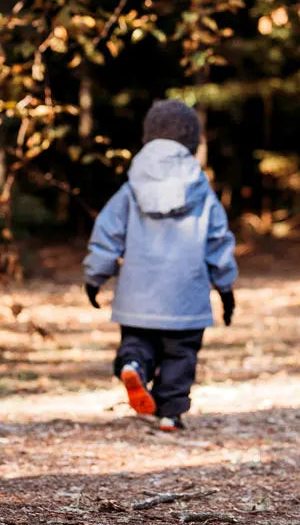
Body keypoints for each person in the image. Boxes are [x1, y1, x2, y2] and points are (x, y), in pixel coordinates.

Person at [83, 99, 237, 432]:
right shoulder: (201, 190)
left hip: (137, 294)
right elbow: (218, 241)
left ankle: (134, 365)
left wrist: (95, 276)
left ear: (147, 136)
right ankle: (170, 413)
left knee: (138, 341)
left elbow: (107, 232)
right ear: (192, 142)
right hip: (187, 295)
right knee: (181, 355)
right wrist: (225, 288)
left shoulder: (130, 188)